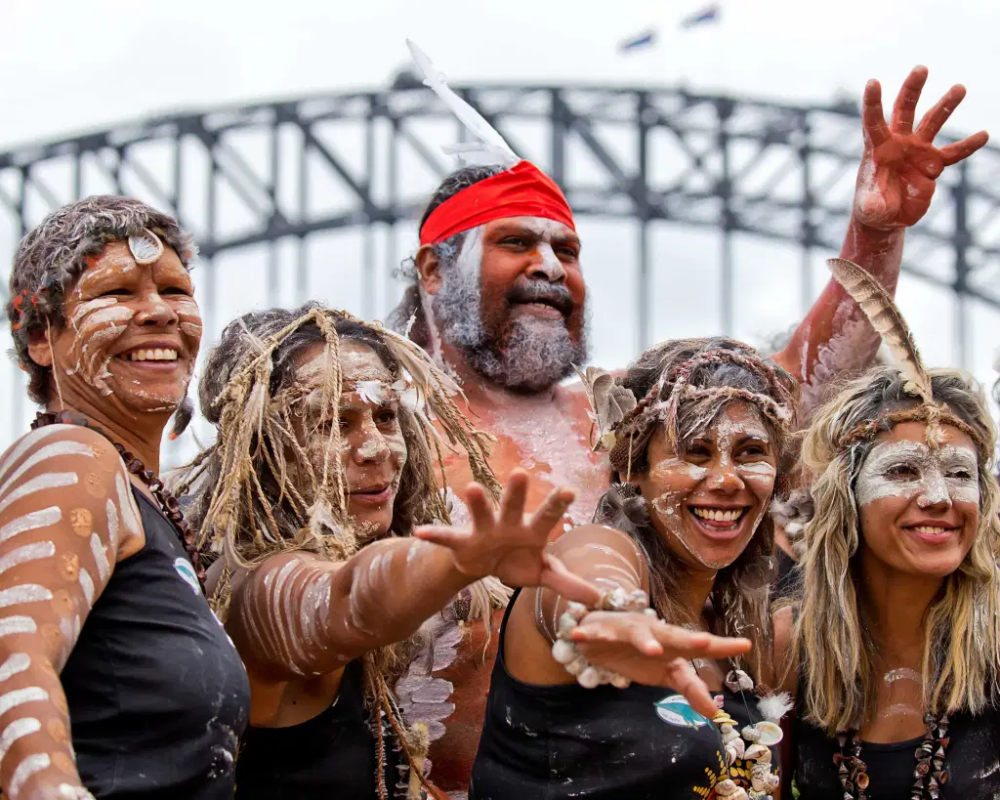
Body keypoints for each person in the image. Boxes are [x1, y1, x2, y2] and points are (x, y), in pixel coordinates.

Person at [387, 54, 989, 794]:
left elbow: (782, 394)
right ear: (433, 270)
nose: (549, 265)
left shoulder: (617, 424)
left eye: (567, 250)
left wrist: (874, 235)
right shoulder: (378, 432)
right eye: (516, 243)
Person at [179, 304, 709, 800]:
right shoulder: (252, 588)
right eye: (332, 424)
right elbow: (344, 599)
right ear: (264, 449)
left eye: (385, 418)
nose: (376, 448)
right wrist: (458, 562)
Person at [460, 337, 799, 800]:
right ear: (631, 469)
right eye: (695, 452)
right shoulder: (594, 550)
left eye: (750, 453)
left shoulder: (735, 633)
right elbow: (591, 573)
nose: (725, 480)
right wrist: (610, 613)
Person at [0, 196, 249, 799]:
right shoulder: (72, 457)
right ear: (41, 338)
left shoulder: (137, 492)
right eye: (116, 293)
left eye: (174, 289)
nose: (159, 313)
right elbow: (12, 665)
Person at [774, 263, 1000, 798]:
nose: (939, 498)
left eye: (959, 474)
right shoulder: (788, 645)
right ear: (846, 496)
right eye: (902, 471)